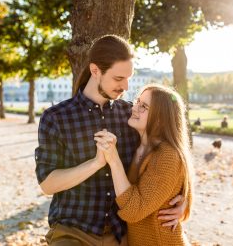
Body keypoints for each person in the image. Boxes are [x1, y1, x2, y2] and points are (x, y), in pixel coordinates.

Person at [35, 35, 185, 246]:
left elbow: (168, 153)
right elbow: (48, 184)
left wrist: (181, 201)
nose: (125, 86)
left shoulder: (131, 116)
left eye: (128, 78)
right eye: (118, 78)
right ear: (95, 71)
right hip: (73, 231)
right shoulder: (56, 117)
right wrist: (96, 163)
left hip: (121, 233)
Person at [94, 84, 193, 245]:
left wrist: (113, 159)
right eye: (137, 101)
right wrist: (186, 200)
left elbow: (134, 211)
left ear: (161, 119)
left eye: (144, 106)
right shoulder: (138, 143)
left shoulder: (167, 155)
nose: (135, 108)